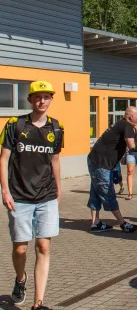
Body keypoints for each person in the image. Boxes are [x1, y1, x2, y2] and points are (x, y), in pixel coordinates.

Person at [0, 81, 64, 310]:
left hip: (46, 195)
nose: (42, 101)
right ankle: (20, 279)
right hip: (18, 196)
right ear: (30, 100)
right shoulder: (15, 125)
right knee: (20, 248)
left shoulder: (57, 128)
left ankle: (38, 303)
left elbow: (55, 161)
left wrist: (58, 188)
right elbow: (4, 158)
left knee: (44, 247)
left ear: (51, 99)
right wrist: (5, 191)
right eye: (37, 97)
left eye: (46, 96)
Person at [87, 106, 137, 233]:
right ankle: (123, 223)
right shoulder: (126, 126)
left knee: (96, 191)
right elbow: (134, 148)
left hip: (97, 161)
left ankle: (96, 223)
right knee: (107, 192)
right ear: (130, 117)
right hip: (101, 163)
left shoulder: (123, 125)